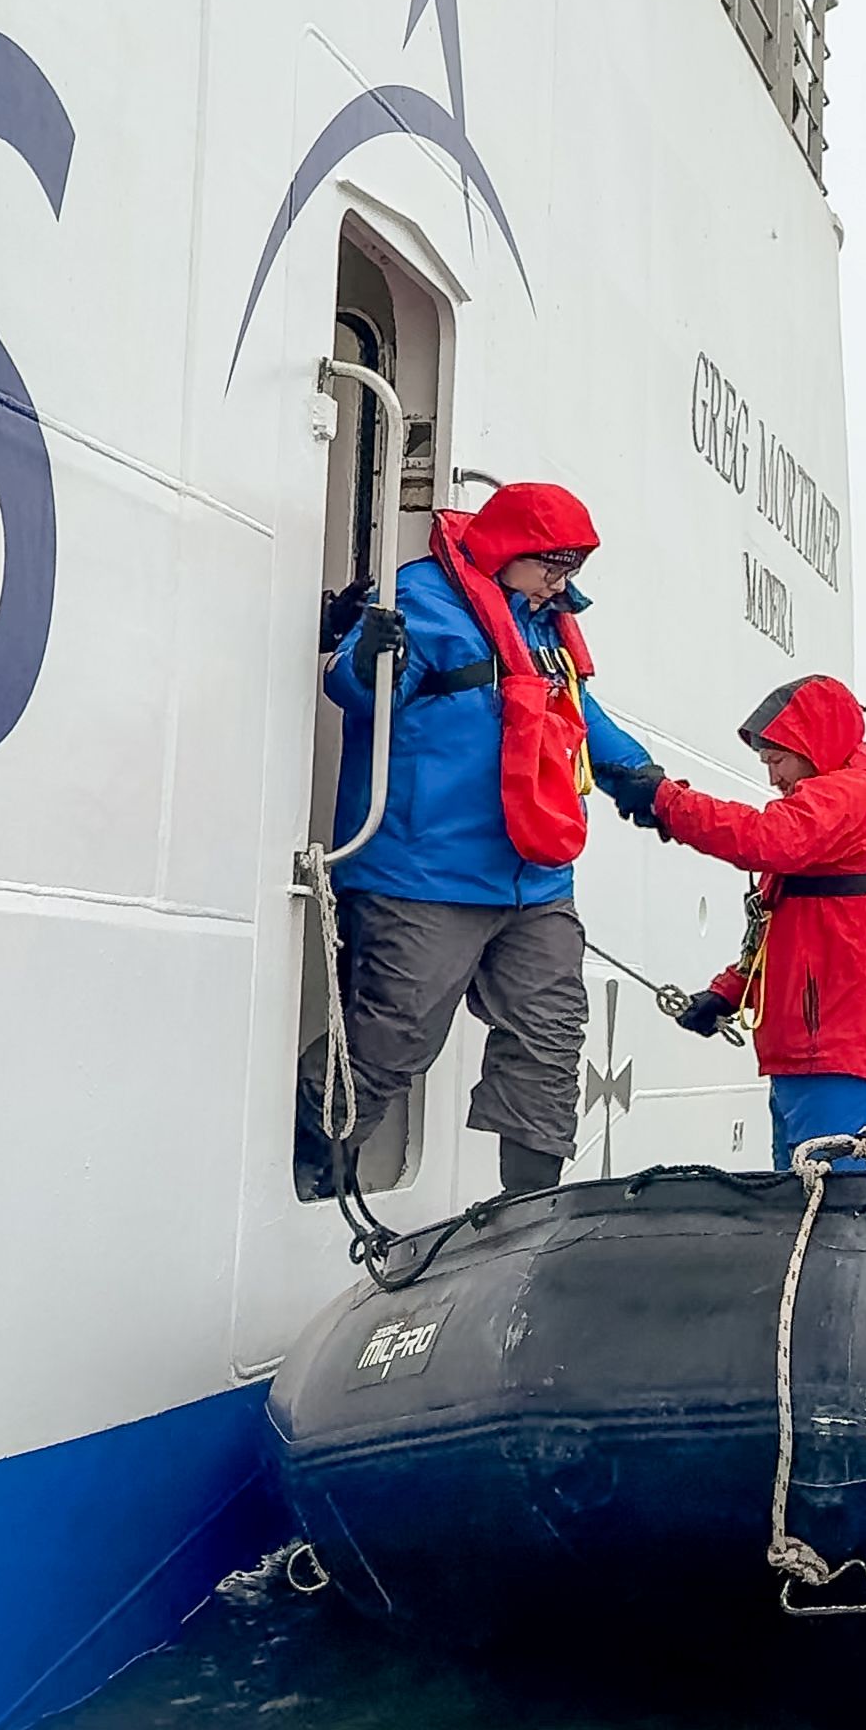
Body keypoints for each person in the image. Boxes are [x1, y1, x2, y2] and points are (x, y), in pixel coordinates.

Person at [293, 481, 653, 1201]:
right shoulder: (422, 603)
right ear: (508, 549)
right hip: (422, 869)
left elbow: (579, 708)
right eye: (553, 563)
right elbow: (361, 698)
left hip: (534, 876)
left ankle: (529, 1211)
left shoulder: (543, 621)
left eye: (574, 567)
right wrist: (363, 657)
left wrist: (639, 775)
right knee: (391, 1039)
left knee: (551, 1039)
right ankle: (312, 1165)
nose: (563, 579)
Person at [598, 675, 866, 1168]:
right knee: (810, 1211)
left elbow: (763, 840)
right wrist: (728, 992)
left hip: (847, 1056)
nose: (773, 779)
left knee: (834, 1215)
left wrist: (668, 802)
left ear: (811, 744)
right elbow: (781, 926)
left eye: (776, 760)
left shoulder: (858, 796)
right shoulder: (843, 810)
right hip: (820, 1056)